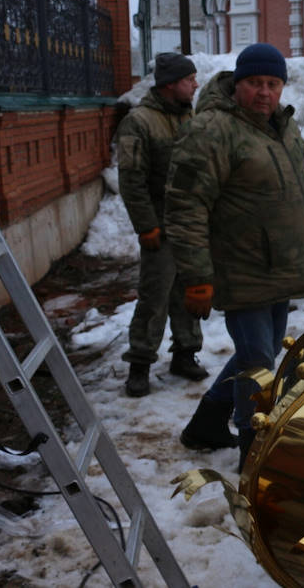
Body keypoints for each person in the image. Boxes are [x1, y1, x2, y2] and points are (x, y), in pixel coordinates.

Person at [165, 43, 304, 467]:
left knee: (261, 352)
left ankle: (206, 423)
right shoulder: (212, 131)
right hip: (241, 269)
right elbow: (186, 208)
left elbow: (301, 188)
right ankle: (252, 452)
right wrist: (197, 278)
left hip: (280, 265)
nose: (264, 92)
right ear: (237, 84)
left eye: (272, 84)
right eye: (255, 83)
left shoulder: (284, 127)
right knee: (258, 363)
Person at [117, 52, 207, 397]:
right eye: (190, 79)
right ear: (171, 84)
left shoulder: (191, 116)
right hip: (160, 226)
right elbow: (131, 180)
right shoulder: (139, 121)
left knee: (190, 291)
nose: (195, 85)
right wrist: (145, 226)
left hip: (190, 227)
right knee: (154, 296)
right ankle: (140, 364)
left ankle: (185, 353)